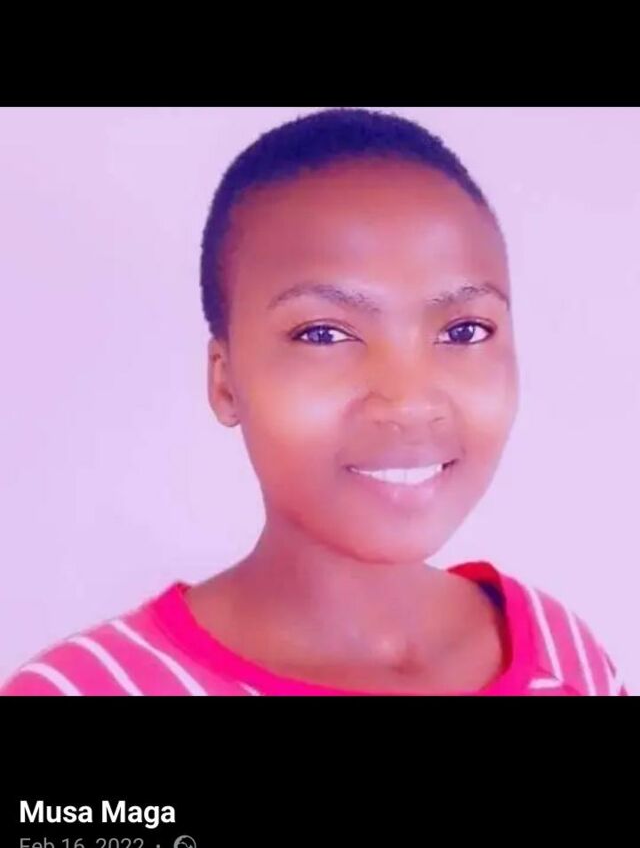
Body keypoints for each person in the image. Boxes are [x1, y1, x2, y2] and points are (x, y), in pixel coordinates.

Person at [0, 108, 628, 696]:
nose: (408, 400)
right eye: (323, 334)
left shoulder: (564, 656)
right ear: (225, 382)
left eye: (464, 331)